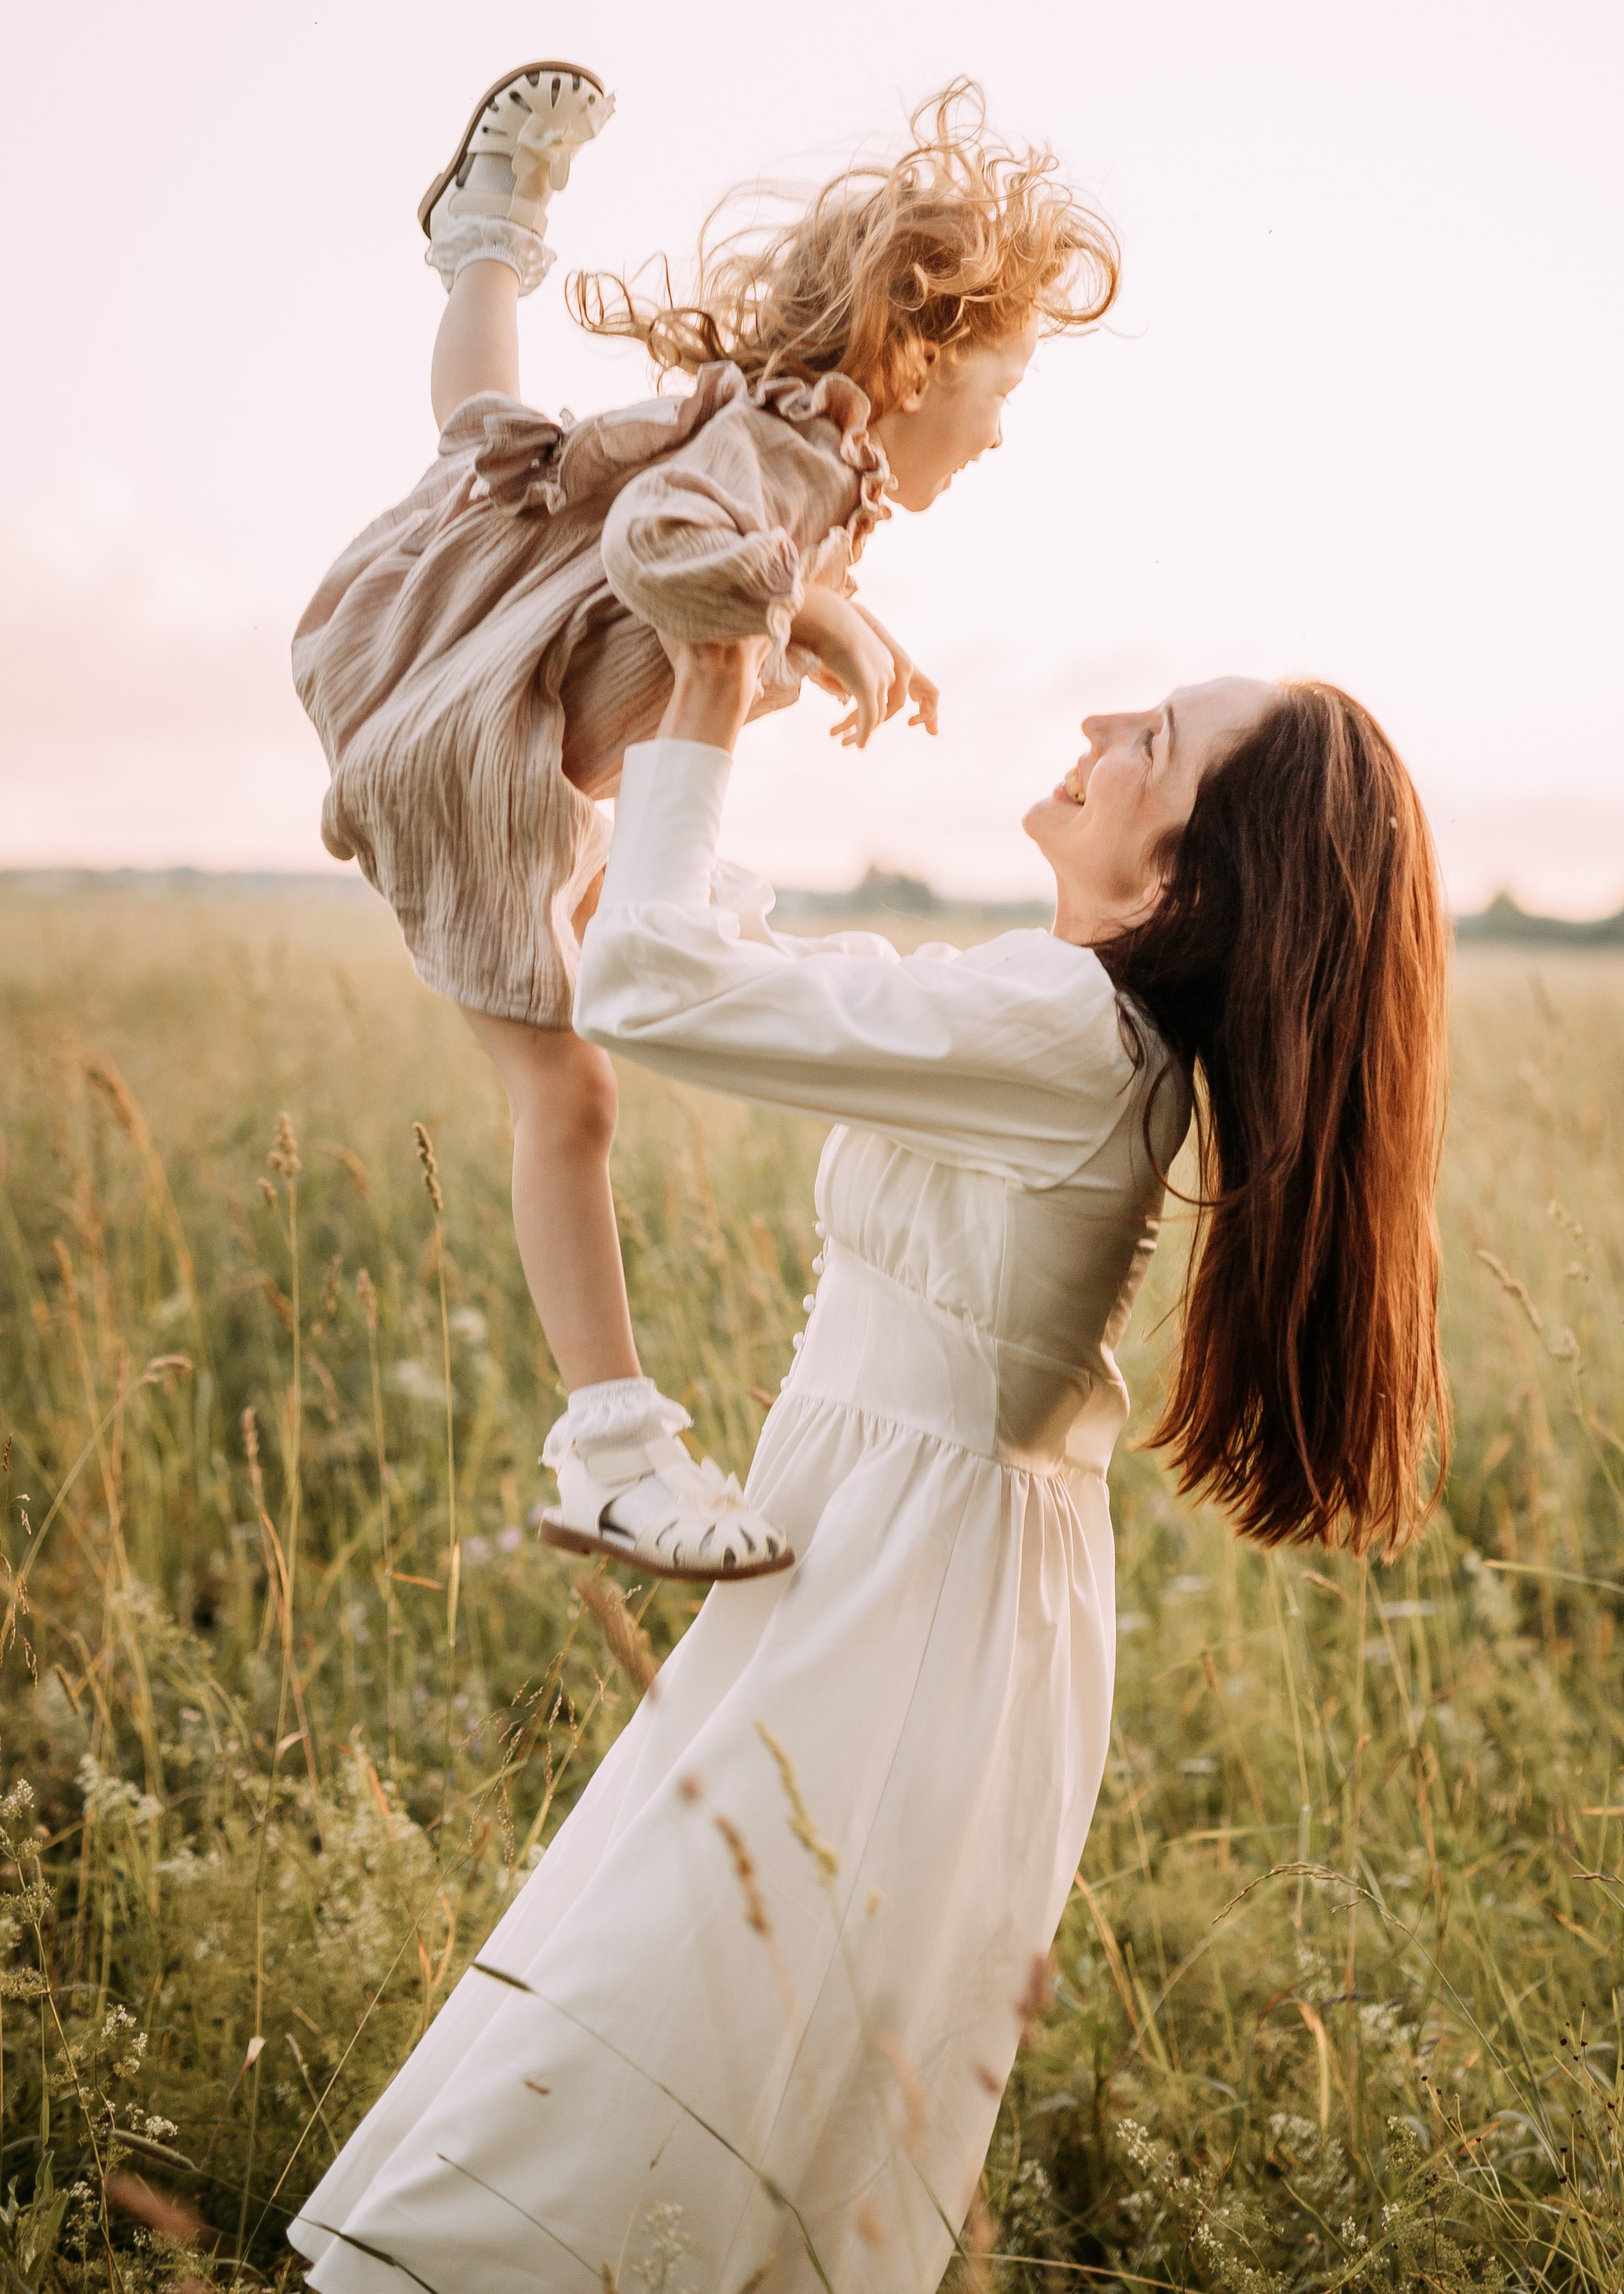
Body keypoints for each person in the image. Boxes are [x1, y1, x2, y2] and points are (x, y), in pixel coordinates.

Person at [287, 640, 1451, 2294]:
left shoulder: (1063, 1027)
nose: (1098, 726)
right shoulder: (1073, 1027)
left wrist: (700, 692)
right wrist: (653, 747)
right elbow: (741, 962)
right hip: (932, 1588)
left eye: (1155, 743)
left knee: (666, 2024)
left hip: (898, 1606)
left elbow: (655, 985)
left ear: (1191, 871)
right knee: (741, 2063)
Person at [291, 64, 1118, 1580]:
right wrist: (820, 619)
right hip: (484, 762)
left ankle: (483, 234)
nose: (1000, 434)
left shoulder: (810, 451)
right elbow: (665, 539)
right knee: (574, 1102)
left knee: (483, 430)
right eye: (1003, 386)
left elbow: (671, 537)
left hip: (489, 665)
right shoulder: (800, 448)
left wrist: (833, 612)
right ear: (922, 360)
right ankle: (612, 1449)